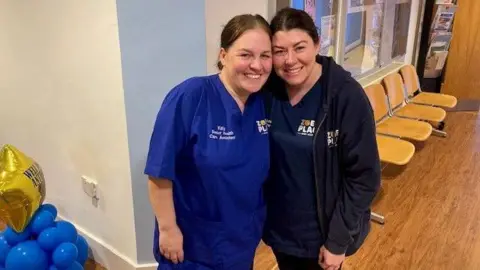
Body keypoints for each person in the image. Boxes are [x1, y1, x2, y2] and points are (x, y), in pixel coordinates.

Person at [144, 14, 273, 270]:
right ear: (223, 55)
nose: (257, 65)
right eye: (245, 55)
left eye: (265, 56)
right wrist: (168, 230)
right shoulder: (191, 96)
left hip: (242, 241)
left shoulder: (264, 103)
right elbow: (159, 172)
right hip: (194, 244)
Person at [262, 7, 381, 270]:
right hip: (280, 231)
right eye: (279, 51)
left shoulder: (345, 97)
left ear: (317, 44)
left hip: (322, 236)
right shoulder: (268, 92)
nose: (290, 60)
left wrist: (337, 242)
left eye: (299, 47)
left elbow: (364, 177)